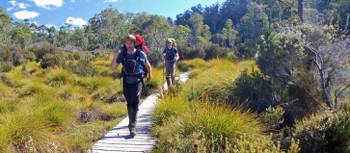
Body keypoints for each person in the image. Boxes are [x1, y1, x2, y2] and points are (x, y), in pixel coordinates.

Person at [111, 34, 152, 137]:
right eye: (127, 43)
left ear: (134, 43)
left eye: (130, 43)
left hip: (138, 81)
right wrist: (115, 55)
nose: (129, 45)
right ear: (125, 44)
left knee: (135, 102)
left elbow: (148, 65)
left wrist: (149, 75)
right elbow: (113, 67)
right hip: (126, 81)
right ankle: (131, 122)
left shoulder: (140, 54)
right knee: (129, 103)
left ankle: (132, 126)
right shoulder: (122, 54)